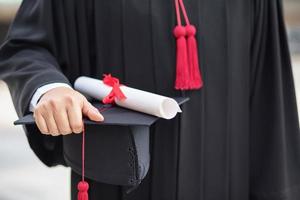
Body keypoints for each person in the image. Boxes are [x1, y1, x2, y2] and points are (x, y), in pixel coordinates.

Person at [0, 0, 300, 199]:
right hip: (117, 180)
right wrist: (50, 88)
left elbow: (269, 97)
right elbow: (26, 46)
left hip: (225, 180)